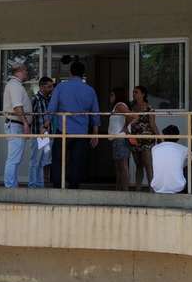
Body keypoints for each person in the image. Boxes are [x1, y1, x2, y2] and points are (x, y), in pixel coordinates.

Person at [45, 61, 100, 189]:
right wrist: (95, 133)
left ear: (70, 72)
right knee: (77, 161)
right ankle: (74, 186)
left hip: (62, 129)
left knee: (58, 159)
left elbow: (52, 107)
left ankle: (58, 185)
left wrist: (46, 123)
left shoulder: (60, 87)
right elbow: (95, 112)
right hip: (81, 131)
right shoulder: (90, 90)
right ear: (83, 74)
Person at [2, 64, 32, 188]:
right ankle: (10, 186)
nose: (27, 73)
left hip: (16, 124)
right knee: (14, 158)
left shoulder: (16, 85)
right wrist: (25, 123)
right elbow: (17, 107)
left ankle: (12, 185)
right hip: (16, 124)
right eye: (26, 71)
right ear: (20, 71)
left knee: (15, 158)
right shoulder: (14, 85)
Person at [129, 86, 159, 192]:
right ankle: (138, 188)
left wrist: (159, 137)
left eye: (136, 92)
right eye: (133, 92)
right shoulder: (131, 107)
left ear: (143, 94)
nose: (134, 94)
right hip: (134, 140)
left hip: (146, 139)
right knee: (138, 165)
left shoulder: (149, 108)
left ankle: (152, 188)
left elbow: (152, 124)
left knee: (147, 164)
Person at [150, 125, 192, 194]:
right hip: (178, 188)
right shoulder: (184, 149)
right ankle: (189, 192)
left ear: (164, 136)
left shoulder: (154, 149)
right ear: (178, 137)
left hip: (157, 187)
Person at [29, 76, 54, 188]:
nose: (51, 89)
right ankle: (33, 185)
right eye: (49, 86)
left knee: (43, 161)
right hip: (38, 135)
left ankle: (39, 185)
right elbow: (29, 117)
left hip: (48, 135)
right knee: (35, 161)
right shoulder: (35, 99)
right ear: (42, 87)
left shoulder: (50, 99)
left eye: (52, 86)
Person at [109, 87, 132, 191]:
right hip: (116, 139)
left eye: (112, 95)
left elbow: (131, 116)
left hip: (120, 138)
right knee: (119, 167)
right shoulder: (117, 107)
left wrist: (126, 126)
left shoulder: (120, 105)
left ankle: (125, 190)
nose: (110, 97)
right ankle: (119, 189)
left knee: (123, 166)